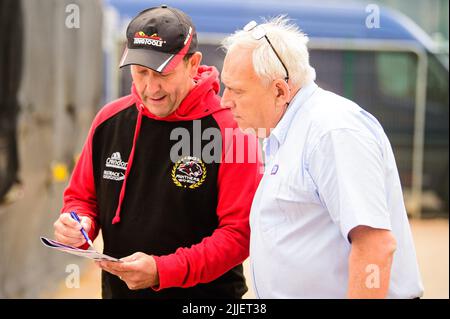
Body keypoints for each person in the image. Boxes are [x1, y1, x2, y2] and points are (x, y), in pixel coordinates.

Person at [53, 5, 261, 299]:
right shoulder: (109, 120)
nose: (151, 88)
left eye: (163, 73)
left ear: (193, 63)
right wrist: (79, 223)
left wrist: (163, 271)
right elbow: (81, 198)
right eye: (140, 72)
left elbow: (239, 235)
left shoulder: (233, 131)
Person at [220, 16, 424, 298]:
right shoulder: (290, 130)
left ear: (280, 90)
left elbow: (375, 246)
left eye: (236, 90)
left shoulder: (332, 131)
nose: (225, 100)